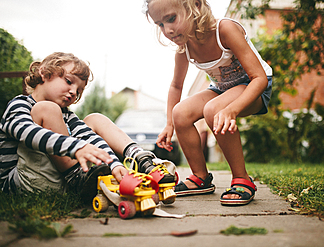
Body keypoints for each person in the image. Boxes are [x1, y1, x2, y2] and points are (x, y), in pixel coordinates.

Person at [143, 0, 273, 206]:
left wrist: (232, 109)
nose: (167, 30)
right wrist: (169, 125)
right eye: (160, 24)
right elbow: (176, 86)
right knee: (180, 113)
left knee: (214, 109)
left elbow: (259, 79)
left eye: (171, 19)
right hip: (223, 89)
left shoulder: (225, 30)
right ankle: (200, 177)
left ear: (195, 5)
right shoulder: (184, 46)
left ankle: (242, 179)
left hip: (254, 87)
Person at [0, 52, 175, 203]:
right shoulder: (20, 105)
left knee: (94, 118)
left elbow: (90, 137)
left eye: (79, 90)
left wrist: (113, 165)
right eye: (69, 81)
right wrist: (76, 147)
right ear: (45, 73)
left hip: (57, 180)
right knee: (47, 109)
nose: (73, 92)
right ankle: (77, 177)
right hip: (20, 184)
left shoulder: (66, 114)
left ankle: (139, 157)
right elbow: (27, 133)